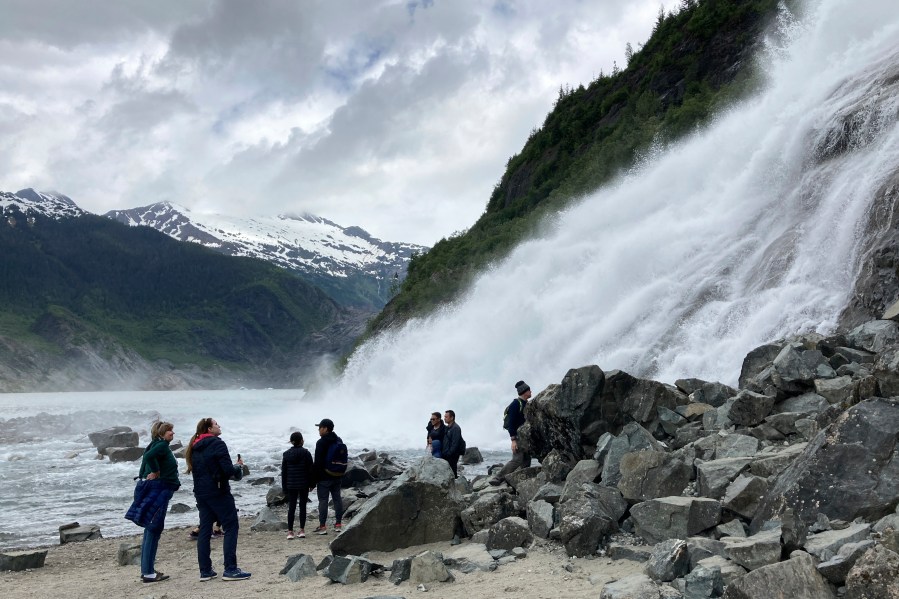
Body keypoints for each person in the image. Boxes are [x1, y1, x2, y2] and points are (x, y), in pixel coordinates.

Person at [184, 417, 251, 582]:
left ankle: (205, 571)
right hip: (218, 491)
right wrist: (239, 468)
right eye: (216, 424)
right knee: (231, 526)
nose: (219, 426)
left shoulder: (195, 446)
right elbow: (227, 470)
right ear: (208, 429)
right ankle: (230, 569)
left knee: (205, 530)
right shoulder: (217, 443)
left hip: (201, 493)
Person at [134, 421, 180, 583]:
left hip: (154, 489)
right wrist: (155, 471)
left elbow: (145, 460)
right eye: (169, 431)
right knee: (153, 529)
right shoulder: (160, 446)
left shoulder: (155, 444)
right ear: (161, 433)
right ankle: (148, 572)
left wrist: (144, 476)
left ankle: (147, 570)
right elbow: (148, 457)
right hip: (158, 490)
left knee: (150, 529)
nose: (172, 433)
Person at [490, 380, 533, 485]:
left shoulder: (526, 403)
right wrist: (513, 440)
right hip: (518, 437)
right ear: (524, 392)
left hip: (525, 437)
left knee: (526, 460)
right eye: (529, 390)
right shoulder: (515, 404)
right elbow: (511, 424)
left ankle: (520, 482)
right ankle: (497, 478)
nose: (531, 392)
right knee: (517, 460)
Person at [311, 418, 344, 535]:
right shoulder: (338, 440)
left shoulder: (321, 442)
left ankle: (323, 526)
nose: (318, 430)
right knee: (337, 499)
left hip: (324, 477)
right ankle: (338, 524)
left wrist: (313, 482)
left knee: (323, 501)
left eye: (320, 427)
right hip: (337, 475)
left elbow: (317, 463)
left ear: (325, 428)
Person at [281, 431, 313, 540]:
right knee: (302, 506)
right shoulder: (306, 453)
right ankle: (302, 530)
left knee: (292, 507)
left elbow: (284, 473)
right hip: (304, 484)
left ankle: (290, 532)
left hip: (291, 485)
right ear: (301, 441)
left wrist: (284, 487)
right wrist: (312, 484)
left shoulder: (286, 455)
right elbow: (310, 470)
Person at [442, 409, 464, 478]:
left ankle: (454, 485)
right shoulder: (448, 427)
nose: (444, 418)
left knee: (452, 470)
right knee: (449, 471)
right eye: (444, 417)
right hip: (447, 453)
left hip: (453, 454)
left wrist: (449, 453)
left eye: (446, 417)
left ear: (452, 418)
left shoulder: (456, 428)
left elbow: (455, 443)